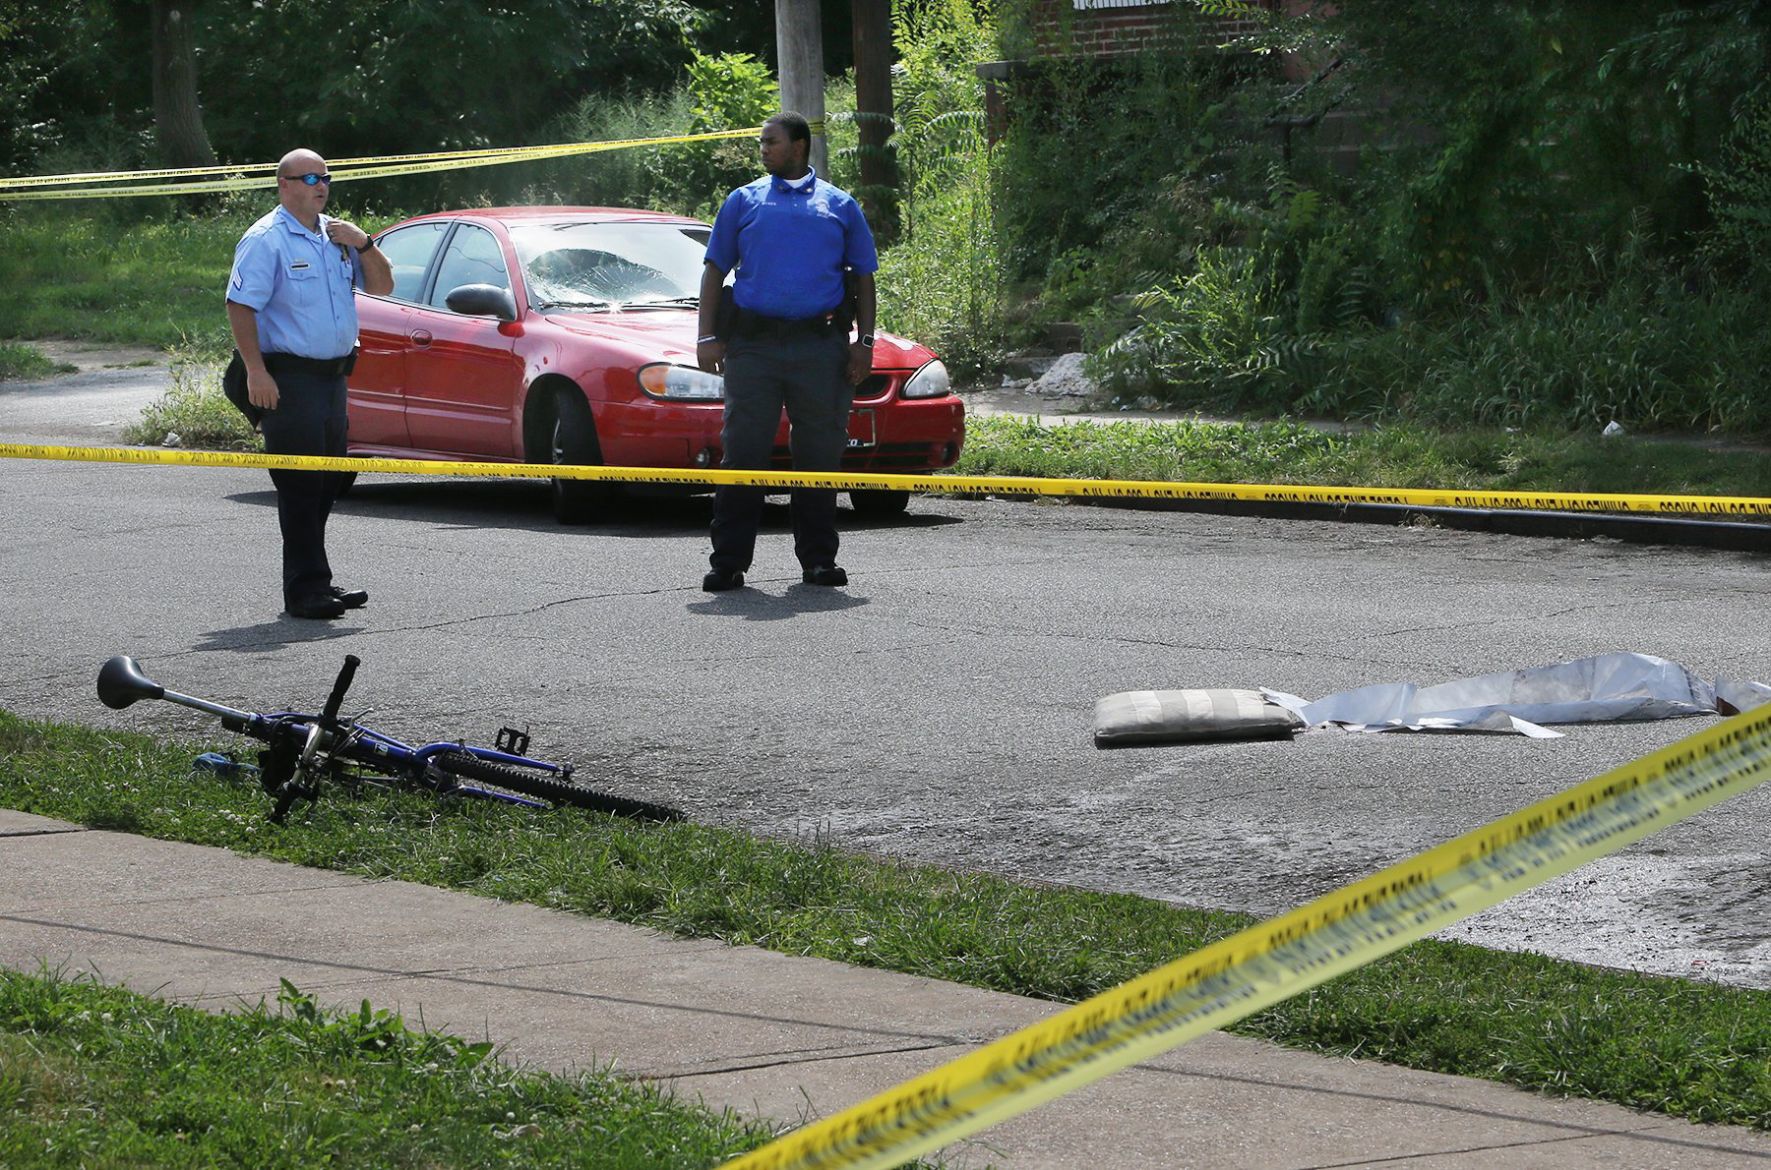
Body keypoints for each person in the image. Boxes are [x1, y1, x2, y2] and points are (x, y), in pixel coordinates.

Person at [696, 111, 878, 592]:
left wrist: (864, 343)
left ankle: (819, 562)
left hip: (819, 347)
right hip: (753, 347)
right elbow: (715, 270)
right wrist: (706, 336)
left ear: (799, 146)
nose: (763, 150)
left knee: (818, 456)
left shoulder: (840, 205)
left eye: (771, 142)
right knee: (744, 454)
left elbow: (863, 277)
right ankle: (728, 563)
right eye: (762, 143)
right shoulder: (743, 201)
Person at [225, 148, 392, 620]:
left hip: (332, 377)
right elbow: (240, 306)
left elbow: (382, 287)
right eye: (310, 177)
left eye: (327, 177)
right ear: (285, 184)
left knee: (329, 481)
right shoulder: (266, 239)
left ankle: (315, 578)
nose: (322, 185)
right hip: (287, 377)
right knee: (300, 483)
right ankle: (305, 590)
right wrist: (256, 371)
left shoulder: (336, 235)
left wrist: (365, 244)